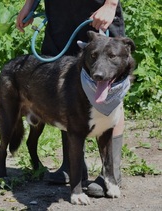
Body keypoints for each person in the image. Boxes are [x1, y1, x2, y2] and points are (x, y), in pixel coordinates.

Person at [16, 0, 125, 197]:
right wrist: (30, 4)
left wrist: (110, 4)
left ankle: (110, 173)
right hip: (60, 17)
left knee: (110, 85)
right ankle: (72, 165)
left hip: (98, 11)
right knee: (64, 89)